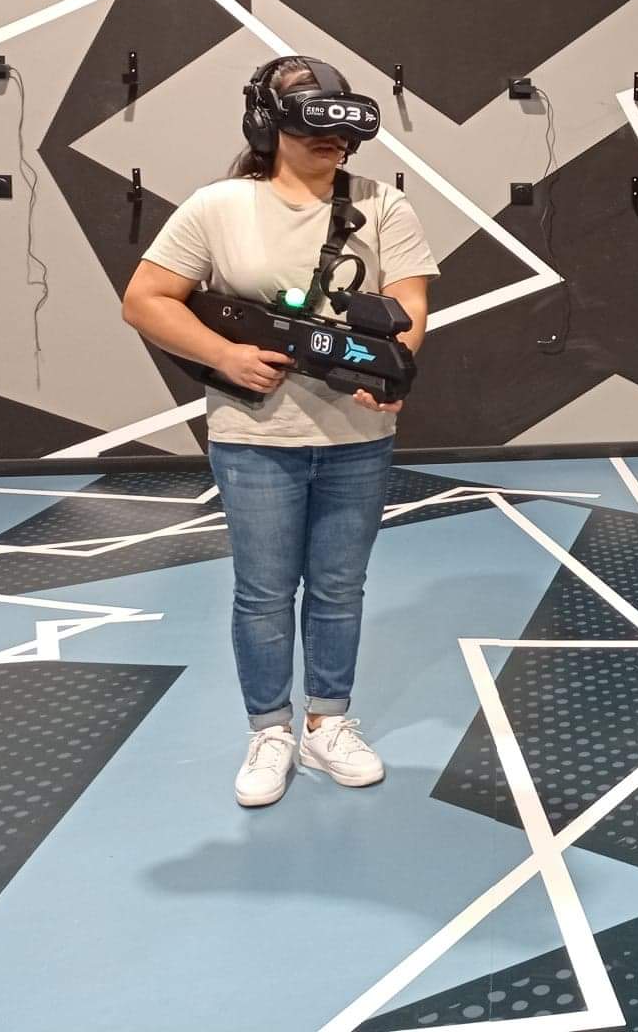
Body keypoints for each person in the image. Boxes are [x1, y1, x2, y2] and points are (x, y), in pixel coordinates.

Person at [122, 56, 438, 805]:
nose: (333, 143)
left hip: (356, 438)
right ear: (267, 125)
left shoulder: (383, 205)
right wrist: (224, 354)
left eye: (341, 129)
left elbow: (411, 304)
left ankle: (328, 723)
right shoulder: (218, 206)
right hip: (255, 436)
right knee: (264, 592)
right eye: (312, 126)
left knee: (339, 587)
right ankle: (269, 730)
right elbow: (146, 299)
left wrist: (388, 374)